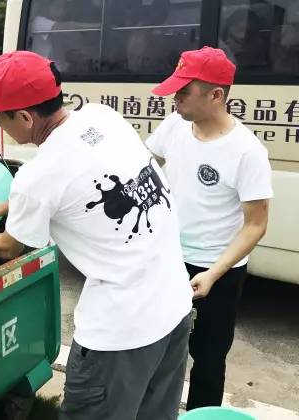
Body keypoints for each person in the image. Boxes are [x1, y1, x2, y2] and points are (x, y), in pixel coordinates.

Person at [0, 50, 193, 419]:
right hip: (174, 310)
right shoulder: (103, 117)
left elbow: (8, 247)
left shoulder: (37, 177)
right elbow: (81, 184)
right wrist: (5, 207)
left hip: (120, 335)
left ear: (24, 117)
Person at [145, 46, 272, 409]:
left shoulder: (246, 151)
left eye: (184, 91)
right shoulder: (174, 126)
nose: (175, 97)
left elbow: (256, 225)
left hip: (218, 270)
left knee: (208, 359)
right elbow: (143, 165)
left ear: (216, 95)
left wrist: (214, 273)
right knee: (154, 348)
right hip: (168, 259)